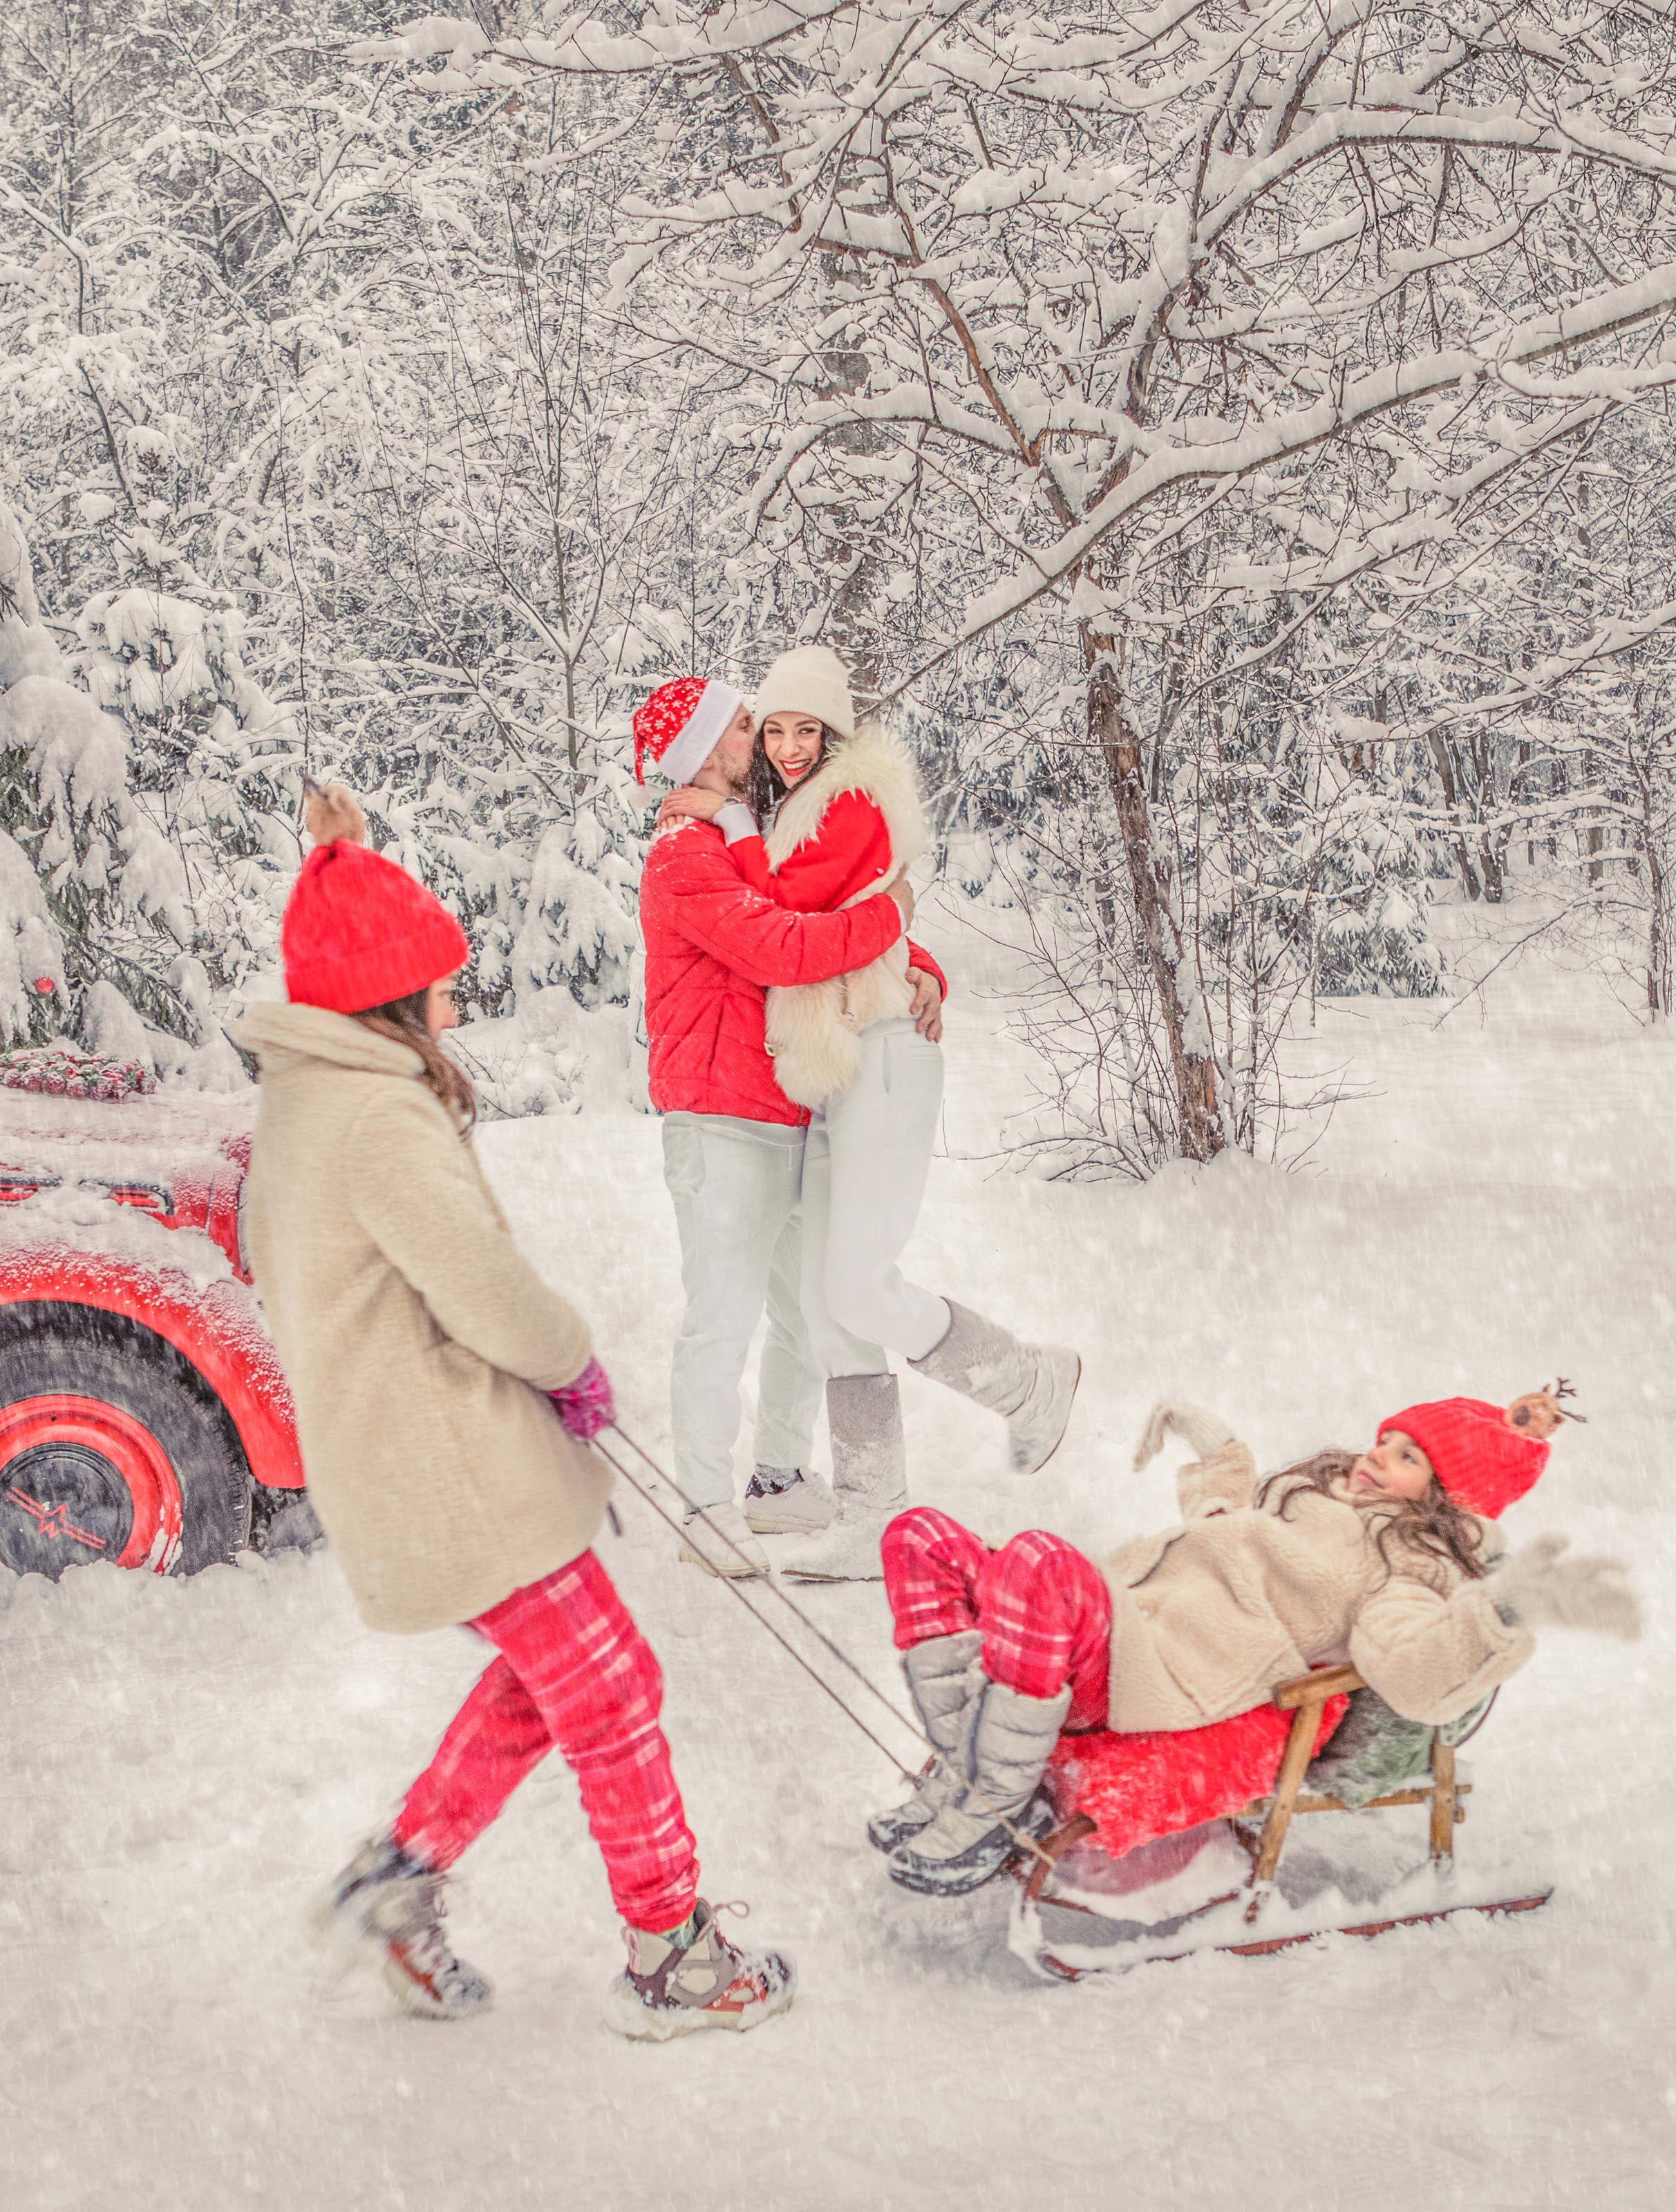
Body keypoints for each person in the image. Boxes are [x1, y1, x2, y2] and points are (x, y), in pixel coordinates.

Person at [237, 783, 795, 2038]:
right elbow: (482, 1286)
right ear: (391, 995)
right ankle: (673, 1957)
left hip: (407, 1458)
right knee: (613, 1683)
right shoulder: (376, 1116)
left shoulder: (312, 1098)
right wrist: (568, 1361)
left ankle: (399, 1884)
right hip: (448, 1464)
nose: (456, 1000)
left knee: (556, 1683)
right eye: (439, 982)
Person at [658, 646, 1080, 1580]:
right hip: (793, 1089)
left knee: (847, 1290)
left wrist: (909, 951)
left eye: (801, 727)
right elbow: (799, 929)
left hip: (861, 1063)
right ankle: (857, 1513)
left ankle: (1026, 1382)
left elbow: (801, 911)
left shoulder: (832, 802)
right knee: (811, 1305)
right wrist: (897, 930)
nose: (781, 744)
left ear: (834, 733)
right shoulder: (732, 832)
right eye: (764, 726)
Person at [867, 1389, 1639, 1896]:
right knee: (919, 1536)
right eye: (1387, 1438)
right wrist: (1217, 1453)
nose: (1377, 1454)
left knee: (1037, 1560)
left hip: (1150, 1669)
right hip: (1122, 1613)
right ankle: (963, 1774)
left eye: (1409, 1456)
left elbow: (1410, 1670)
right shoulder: (1310, 1496)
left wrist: (1499, 1613)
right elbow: (1226, 1530)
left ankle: (992, 1803)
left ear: (1445, 1497)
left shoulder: (1403, 1563)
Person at [634, 674, 943, 1575]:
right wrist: (893, 912)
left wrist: (920, 964)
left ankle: (776, 1479)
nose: (762, 741)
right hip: (720, 1120)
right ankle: (704, 1512)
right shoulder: (684, 855)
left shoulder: (743, 840)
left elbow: (811, 911)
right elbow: (782, 946)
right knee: (721, 1322)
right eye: (744, 727)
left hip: (786, 1114)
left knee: (810, 1313)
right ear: (704, 750)